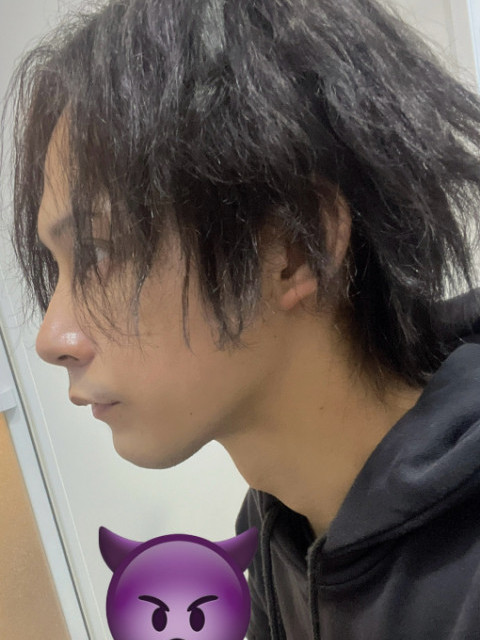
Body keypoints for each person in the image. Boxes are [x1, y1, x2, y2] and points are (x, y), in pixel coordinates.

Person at [5, 0, 480, 637]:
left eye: (98, 251)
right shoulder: (277, 525)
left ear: (295, 248)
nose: (51, 338)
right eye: (58, 268)